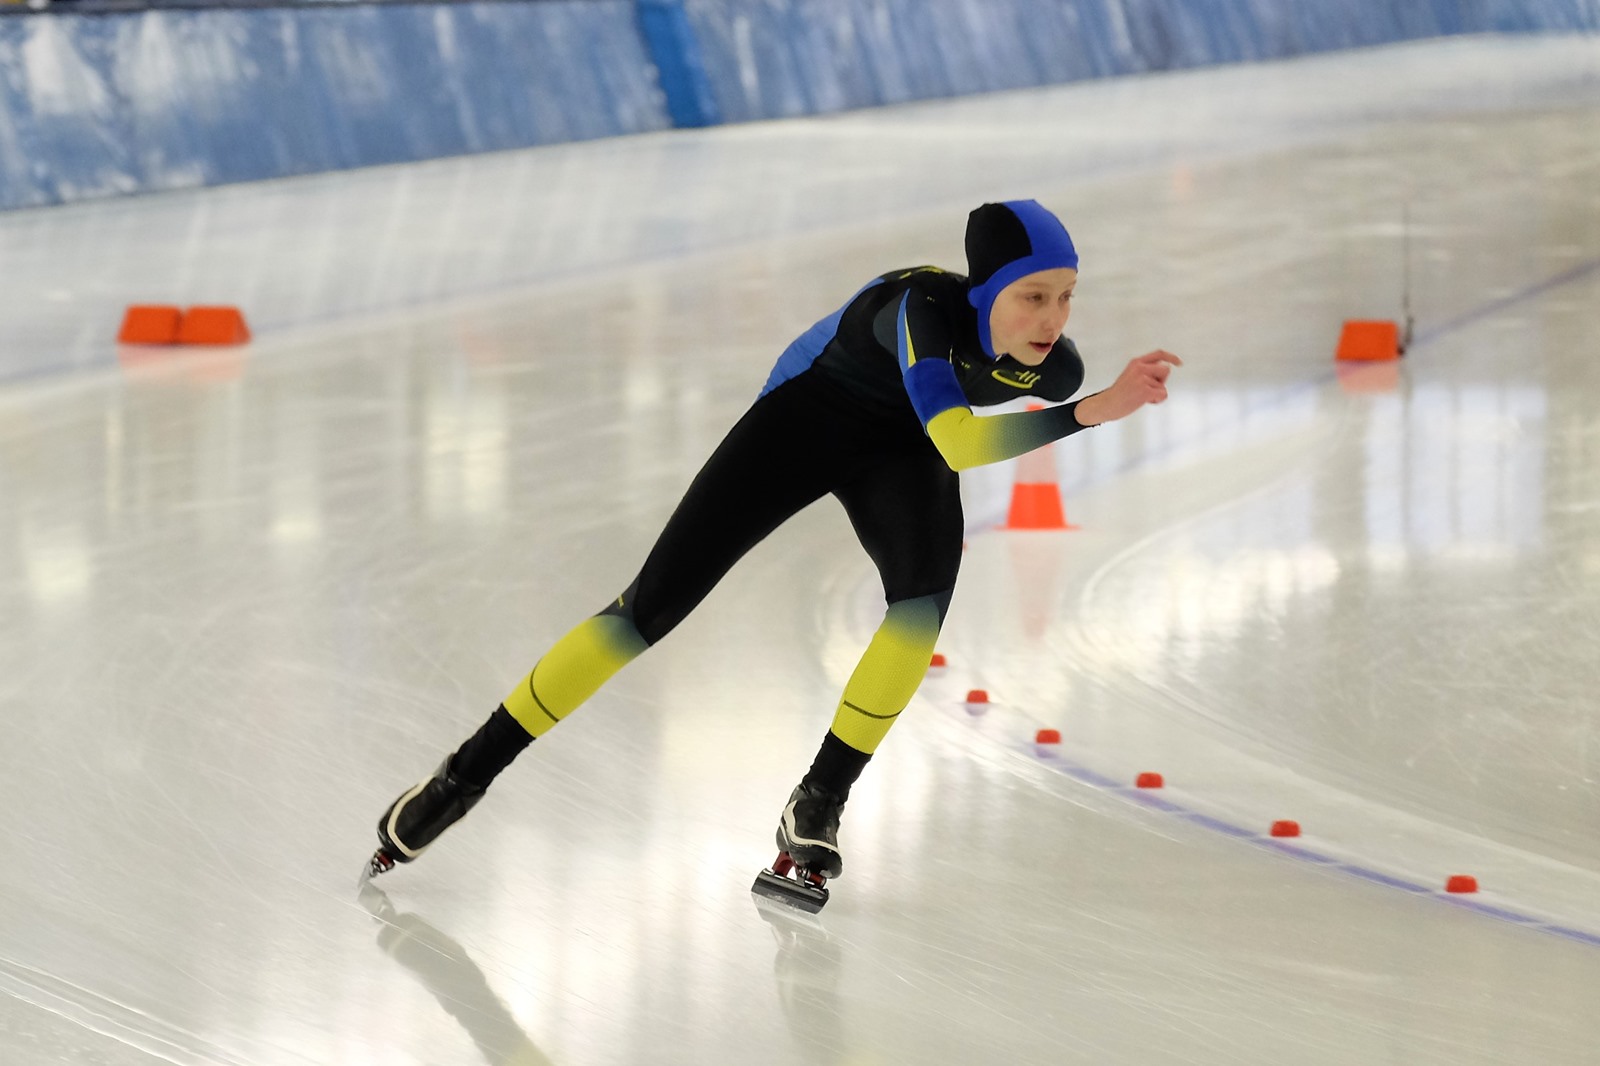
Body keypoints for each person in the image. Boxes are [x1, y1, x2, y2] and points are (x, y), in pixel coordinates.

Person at [366, 200, 1181, 892]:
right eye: (1032, 296)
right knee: (646, 611)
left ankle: (819, 800)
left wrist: (1083, 400)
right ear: (988, 288)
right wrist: (1091, 414)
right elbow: (964, 444)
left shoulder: (1052, 368)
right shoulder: (923, 308)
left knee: (919, 609)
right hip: (805, 419)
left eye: (1066, 297)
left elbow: (951, 439)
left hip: (905, 449)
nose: (1052, 320)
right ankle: (461, 778)